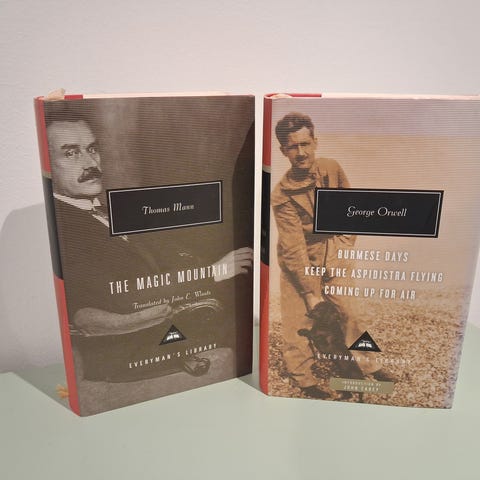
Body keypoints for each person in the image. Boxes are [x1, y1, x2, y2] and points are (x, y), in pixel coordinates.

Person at [46, 113, 252, 413]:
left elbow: (172, 256)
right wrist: (212, 273)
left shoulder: (109, 210)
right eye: (71, 153)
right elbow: (118, 300)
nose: (90, 163)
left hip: (176, 329)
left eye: (92, 149)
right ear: (48, 165)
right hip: (131, 354)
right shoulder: (67, 229)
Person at [272, 112, 394, 399]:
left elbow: (350, 207)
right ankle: (304, 378)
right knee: (298, 323)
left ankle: (369, 365)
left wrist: (344, 245)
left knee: (350, 314)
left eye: (305, 144)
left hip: (334, 255)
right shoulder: (281, 195)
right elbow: (293, 247)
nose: (301, 153)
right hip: (298, 262)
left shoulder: (331, 168)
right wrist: (310, 292)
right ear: (283, 151)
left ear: (315, 142)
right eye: (293, 147)